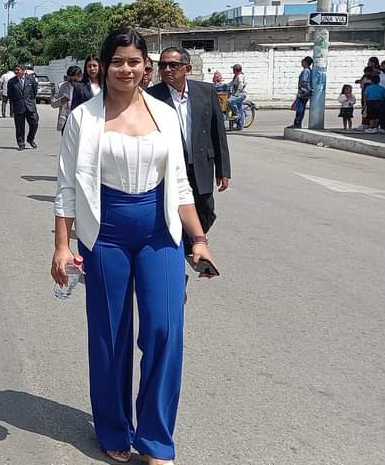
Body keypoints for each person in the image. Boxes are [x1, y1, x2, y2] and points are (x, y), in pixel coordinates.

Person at [52, 28, 217, 465]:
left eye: (134, 61)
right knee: (110, 333)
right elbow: (66, 188)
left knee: (165, 329)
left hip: (159, 234)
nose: (126, 69)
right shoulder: (83, 118)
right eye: (117, 61)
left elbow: (179, 184)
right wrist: (62, 246)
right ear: (104, 66)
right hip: (104, 235)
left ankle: (155, 437)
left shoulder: (164, 113)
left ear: (147, 67)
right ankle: (114, 426)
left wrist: (199, 239)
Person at [148, 47, 231, 261]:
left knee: (206, 210)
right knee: (174, 211)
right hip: (170, 168)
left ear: (187, 68)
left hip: (201, 164)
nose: (167, 69)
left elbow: (217, 132)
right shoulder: (152, 96)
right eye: (163, 65)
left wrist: (223, 170)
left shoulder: (206, 91)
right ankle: (185, 251)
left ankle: (191, 243)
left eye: (173, 65)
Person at [6, 64, 39, 150]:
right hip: (18, 106)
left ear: (23, 71)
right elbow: (10, 94)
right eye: (15, 70)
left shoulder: (31, 79)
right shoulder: (11, 82)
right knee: (19, 126)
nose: (16, 71)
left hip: (30, 105)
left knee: (34, 122)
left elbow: (34, 91)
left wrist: (30, 100)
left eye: (18, 70)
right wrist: (16, 102)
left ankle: (30, 139)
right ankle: (21, 143)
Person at [51, 66, 82, 132]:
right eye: (70, 80)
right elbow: (53, 104)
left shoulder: (85, 87)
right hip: (65, 122)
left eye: (75, 80)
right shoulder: (63, 86)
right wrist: (61, 100)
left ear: (80, 77)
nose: (72, 83)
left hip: (80, 122)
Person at [292, 56, 314, 128]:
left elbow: (304, 82)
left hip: (303, 92)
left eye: (303, 61)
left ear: (305, 62)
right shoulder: (310, 70)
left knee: (300, 107)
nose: (301, 62)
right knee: (301, 107)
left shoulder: (305, 71)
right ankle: (298, 123)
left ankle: (297, 123)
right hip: (307, 91)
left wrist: (301, 88)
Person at [228, 64, 248, 130]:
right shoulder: (236, 76)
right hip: (238, 94)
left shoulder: (240, 76)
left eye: (233, 69)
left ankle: (237, 114)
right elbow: (231, 83)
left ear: (236, 70)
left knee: (230, 101)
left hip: (241, 94)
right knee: (240, 109)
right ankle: (240, 126)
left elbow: (241, 85)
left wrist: (237, 93)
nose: (233, 71)